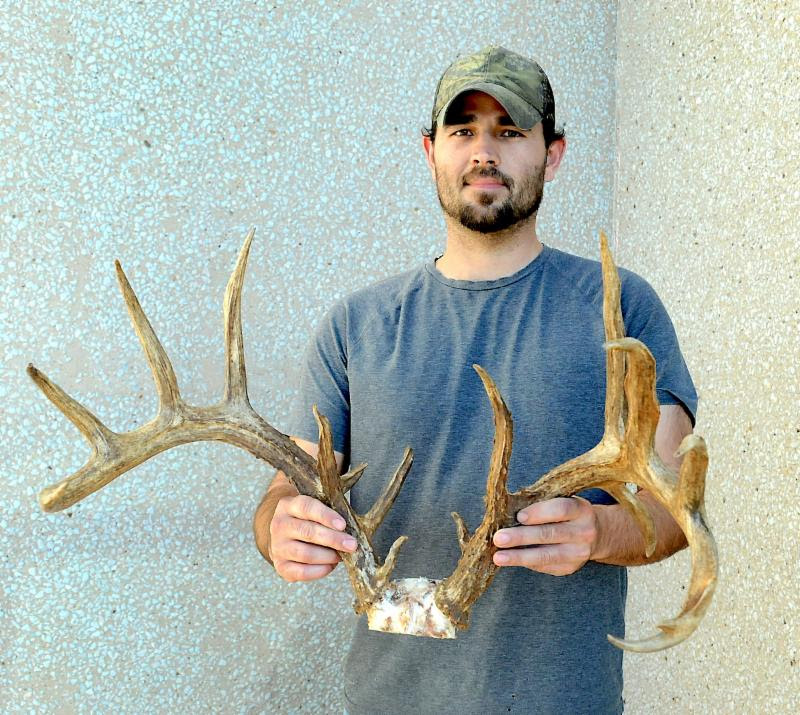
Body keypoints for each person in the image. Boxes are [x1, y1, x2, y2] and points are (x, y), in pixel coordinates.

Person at [253, 46, 697, 714]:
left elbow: (677, 506)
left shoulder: (619, 308)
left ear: (553, 154)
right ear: (430, 151)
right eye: (463, 131)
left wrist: (602, 532)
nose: (484, 151)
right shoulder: (358, 327)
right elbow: (287, 491)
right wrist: (278, 528)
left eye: (510, 130)